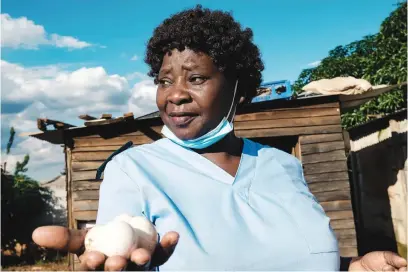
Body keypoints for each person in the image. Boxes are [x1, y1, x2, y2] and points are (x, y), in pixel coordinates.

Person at [33, 5, 407, 271]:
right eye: (164, 80)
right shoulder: (133, 170)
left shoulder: (282, 165)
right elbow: (120, 250)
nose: (174, 94)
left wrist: (351, 266)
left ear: (240, 90)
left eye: (195, 78)